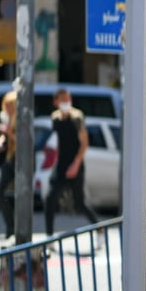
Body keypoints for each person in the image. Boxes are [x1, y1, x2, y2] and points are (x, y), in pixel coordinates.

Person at [44, 88, 99, 237]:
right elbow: (59, 143)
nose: (66, 102)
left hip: (76, 163)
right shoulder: (55, 118)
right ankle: (49, 237)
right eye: (63, 99)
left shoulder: (77, 117)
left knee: (80, 203)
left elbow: (84, 143)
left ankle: (99, 230)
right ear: (56, 102)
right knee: (50, 200)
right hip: (61, 164)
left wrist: (76, 164)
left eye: (68, 99)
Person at [0, 90, 16, 237]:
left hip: (18, 161)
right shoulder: (7, 119)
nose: (8, 108)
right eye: (7, 105)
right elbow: (4, 140)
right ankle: (11, 227)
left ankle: (13, 227)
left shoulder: (20, 119)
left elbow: (23, 141)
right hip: (9, 160)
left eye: (11, 105)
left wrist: (9, 133)